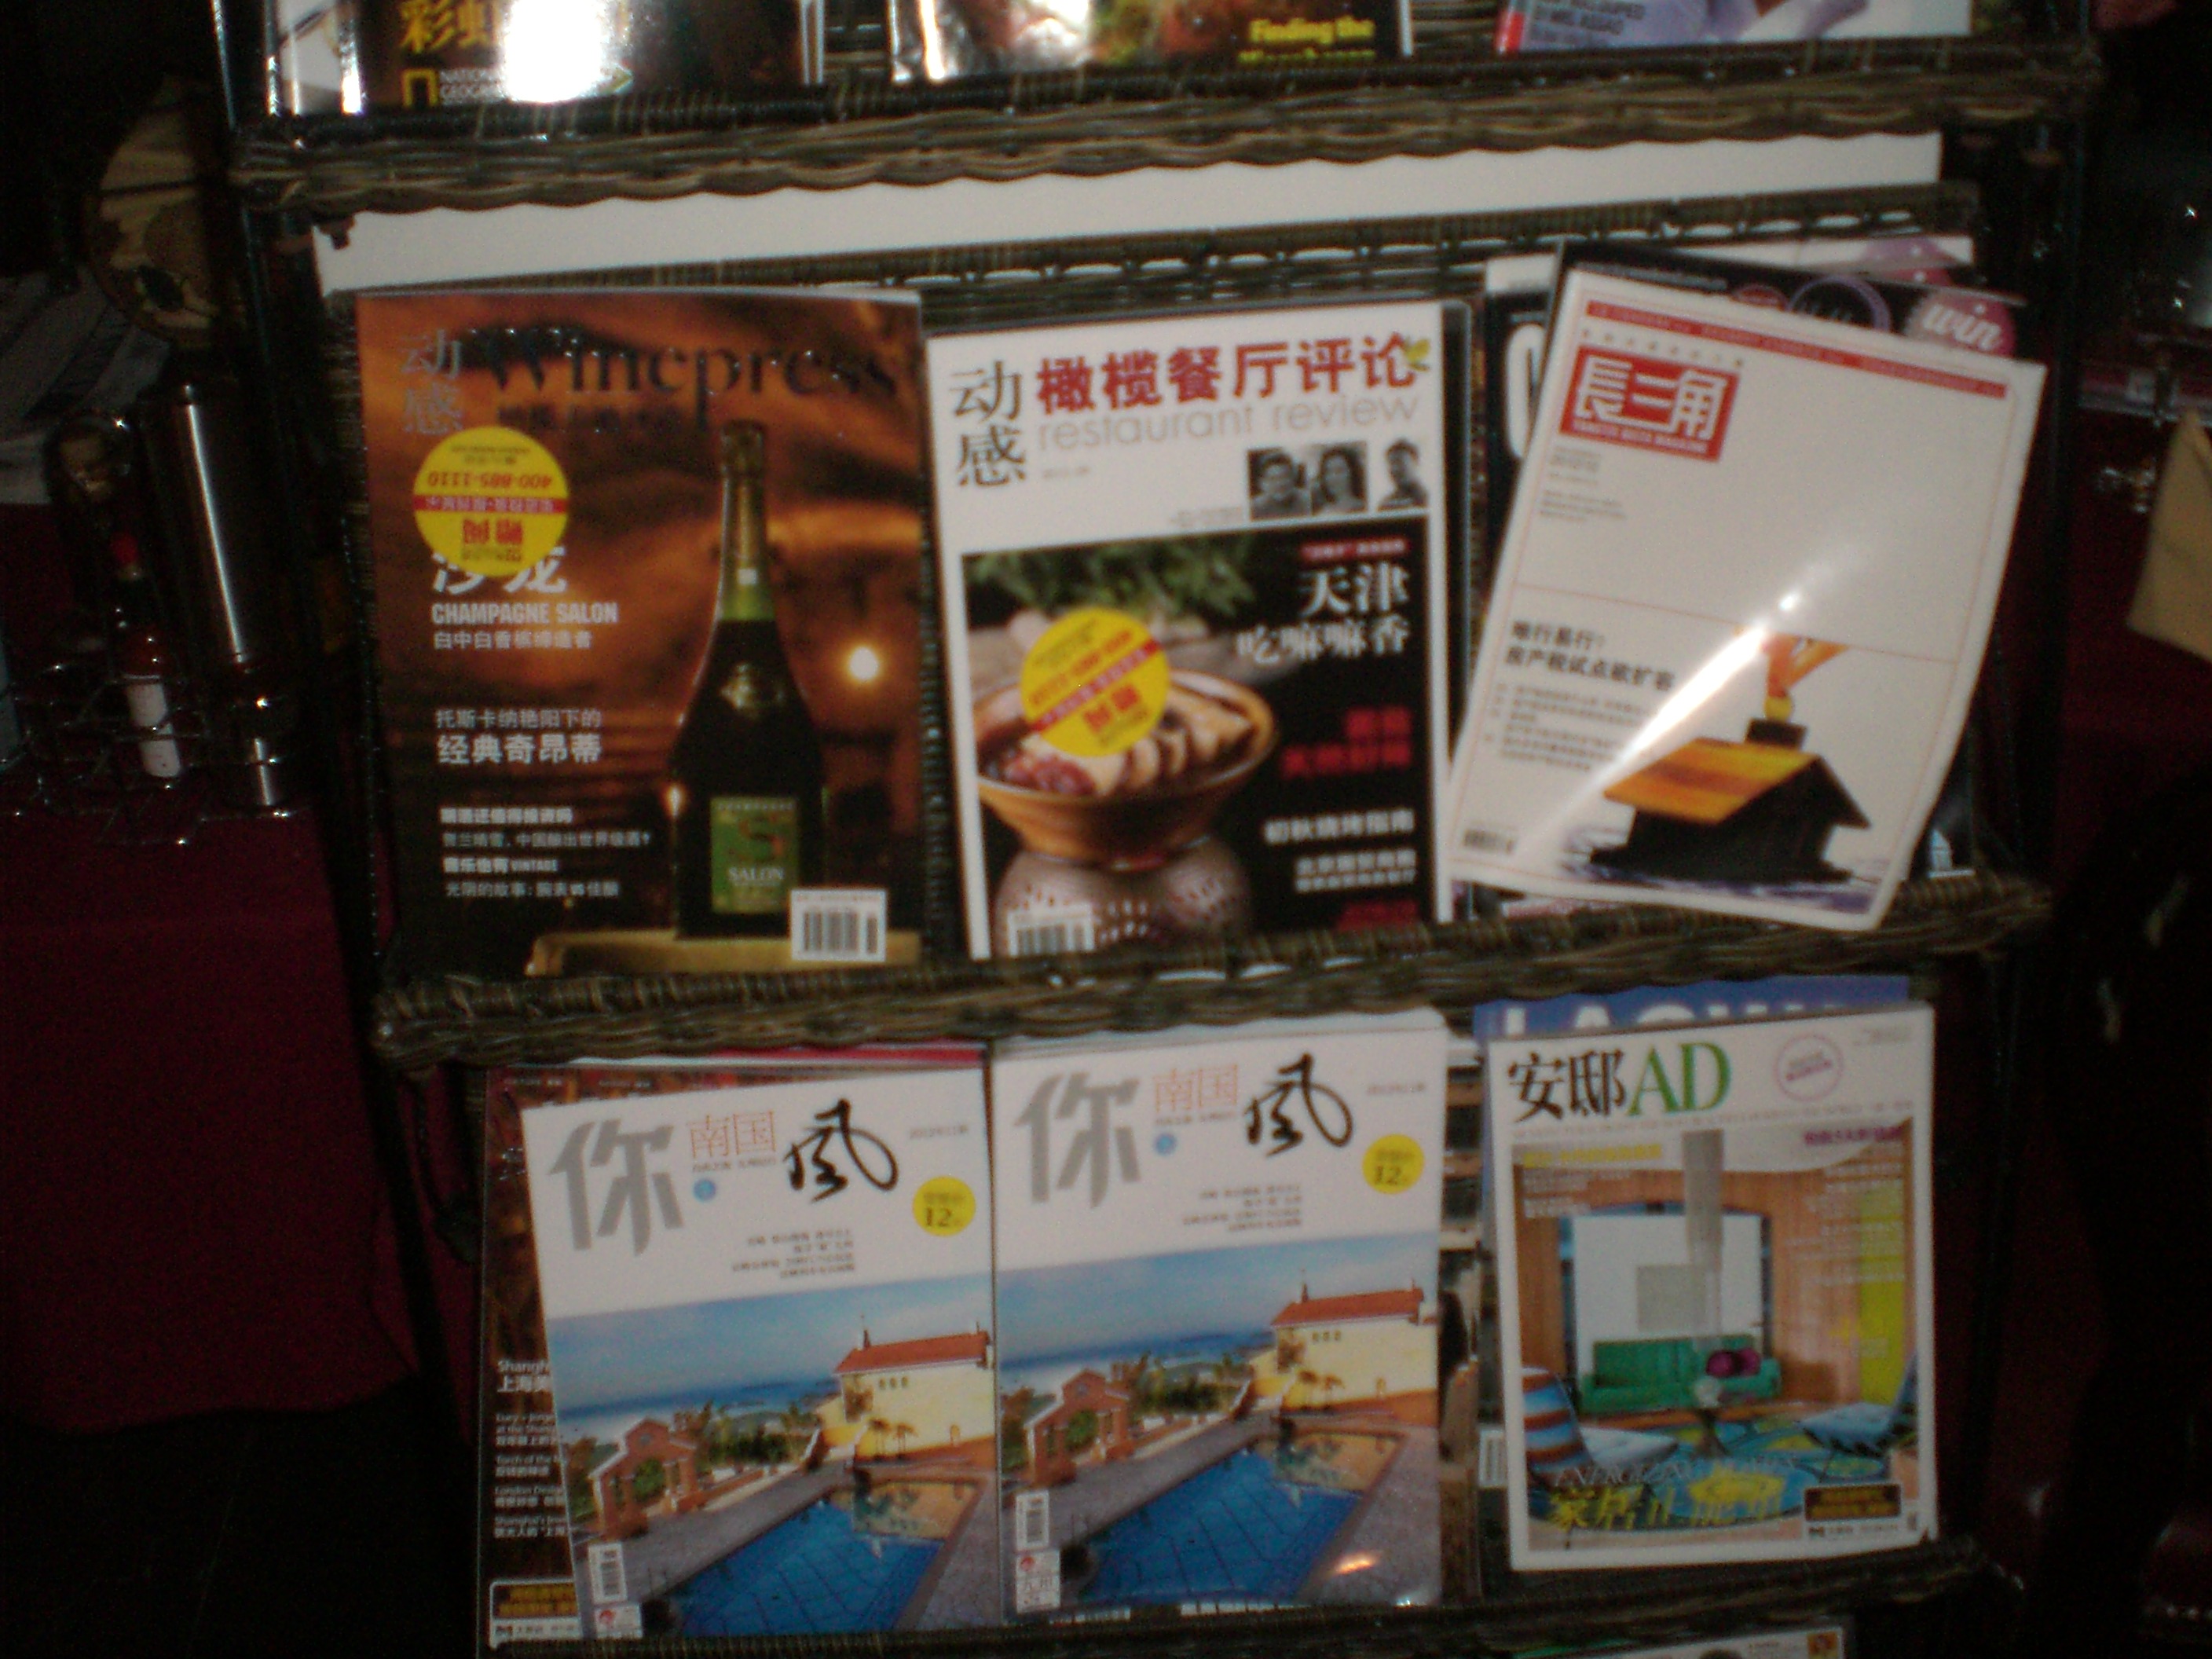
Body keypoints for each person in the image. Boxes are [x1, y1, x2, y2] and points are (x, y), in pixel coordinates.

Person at [1248, 450, 1309, 519]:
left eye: (1284, 477)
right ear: (1262, 483)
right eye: (1273, 479)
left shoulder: (1307, 502)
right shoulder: (1253, 508)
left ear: (1294, 478)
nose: (1280, 484)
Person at [1313, 446, 1365, 515]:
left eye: (1339, 471)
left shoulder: (1363, 509)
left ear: (1352, 473)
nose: (1333, 478)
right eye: (1328, 472)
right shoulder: (1323, 513)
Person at [1378, 439, 1426, 509]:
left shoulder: (1430, 498)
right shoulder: (1387, 504)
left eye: (1400, 462)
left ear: (1415, 463)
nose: (1395, 469)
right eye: (1391, 464)